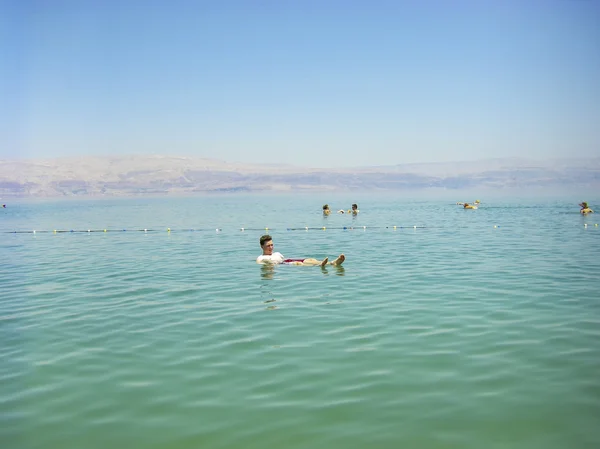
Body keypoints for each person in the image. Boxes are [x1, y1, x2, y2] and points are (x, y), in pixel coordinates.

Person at [256, 235, 345, 266]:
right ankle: (320, 265)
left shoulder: (277, 253)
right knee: (299, 263)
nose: (271, 247)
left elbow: (285, 259)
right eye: (268, 246)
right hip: (283, 264)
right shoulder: (261, 258)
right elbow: (263, 264)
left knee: (310, 259)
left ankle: (333, 263)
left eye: (272, 245)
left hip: (286, 260)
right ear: (262, 246)